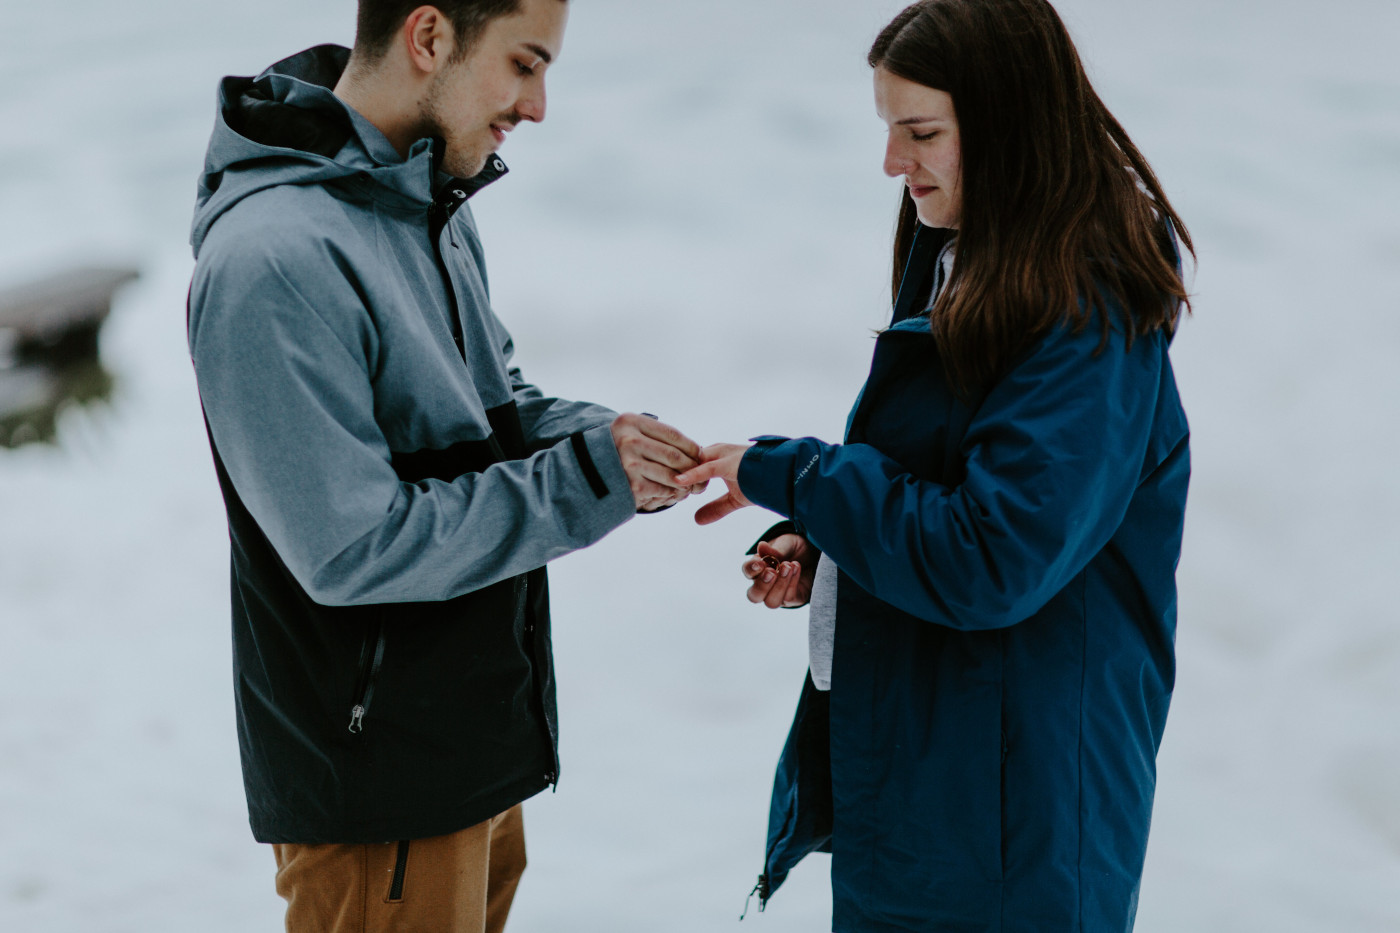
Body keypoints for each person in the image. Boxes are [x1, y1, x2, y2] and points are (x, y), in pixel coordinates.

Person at [676, 0, 1194, 929]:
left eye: (920, 132)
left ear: (1008, 123)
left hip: (1014, 818)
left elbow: (995, 557)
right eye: (888, 130)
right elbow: (955, 481)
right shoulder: (973, 251)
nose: (891, 163)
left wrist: (802, 476)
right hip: (937, 787)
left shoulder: (1085, 303)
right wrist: (829, 542)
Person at [186, 2, 703, 930]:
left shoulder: (422, 201)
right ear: (429, 39)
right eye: (524, 63)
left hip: (466, 750)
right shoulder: (275, 257)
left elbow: (492, 409)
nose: (538, 104)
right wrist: (586, 479)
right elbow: (351, 546)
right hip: (378, 788)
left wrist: (618, 443)